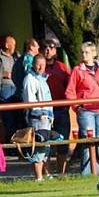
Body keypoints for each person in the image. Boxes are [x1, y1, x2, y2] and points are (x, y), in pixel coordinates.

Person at [65, 42, 99, 176]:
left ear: (94, 53)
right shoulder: (77, 70)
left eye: (87, 52)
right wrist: (77, 107)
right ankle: (87, 173)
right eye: (82, 52)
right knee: (88, 141)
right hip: (86, 110)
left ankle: (98, 171)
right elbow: (70, 91)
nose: (84, 55)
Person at [22, 55, 56, 181]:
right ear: (33, 64)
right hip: (38, 117)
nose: (41, 67)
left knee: (46, 146)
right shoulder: (30, 79)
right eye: (38, 64)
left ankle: (46, 173)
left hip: (47, 115)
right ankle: (39, 176)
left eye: (43, 64)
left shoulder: (42, 78)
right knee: (39, 146)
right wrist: (39, 113)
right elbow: (29, 99)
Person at [41, 38, 71, 174]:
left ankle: (62, 172)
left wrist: (67, 105)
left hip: (61, 109)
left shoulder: (62, 67)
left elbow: (69, 87)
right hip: (44, 111)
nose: (48, 50)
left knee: (63, 141)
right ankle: (46, 174)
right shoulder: (38, 67)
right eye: (45, 48)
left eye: (51, 48)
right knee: (44, 142)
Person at [0, 35, 21, 141]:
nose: (15, 46)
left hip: (16, 89)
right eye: (13, 44)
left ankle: (18, 143)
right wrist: (2, 74)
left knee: (18, 118)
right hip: (5, 88)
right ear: (7, 45)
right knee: (8, 119)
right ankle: (10, 144)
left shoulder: (17, 57)